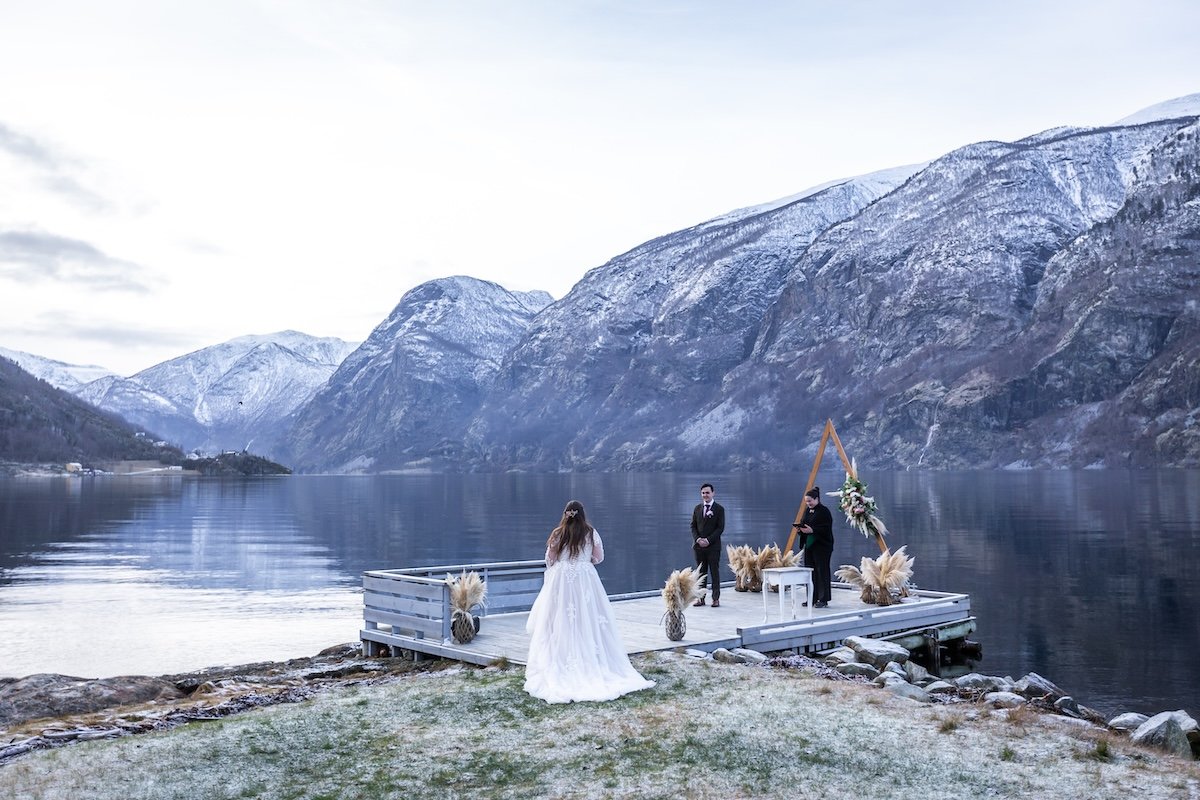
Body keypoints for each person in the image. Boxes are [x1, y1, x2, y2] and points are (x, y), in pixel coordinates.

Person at [523, 500, 655, 704]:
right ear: (583, 514)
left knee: (561, 618)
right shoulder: (590, 532)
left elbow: (550, 558)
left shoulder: (558, 533)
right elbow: (599, 557)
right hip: (585, 578)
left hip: (562, 580)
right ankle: (592, 657)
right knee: (588, 617)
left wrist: (564, 563)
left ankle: (561, 657)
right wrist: (584, 563)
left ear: (566, 514)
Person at [795, 486, 834, 607]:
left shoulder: (824, 511)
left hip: (822, 546)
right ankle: (811, 597)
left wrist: (813, 530)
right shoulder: (807, 511)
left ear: (817, 499)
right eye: (806, 502)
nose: (808, 503)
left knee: (822, 571)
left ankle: (823, 599)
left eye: (810, 501)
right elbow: (804, 522)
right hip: (810, 545)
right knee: (809, 572)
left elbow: (826, 528)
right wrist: (801, 529)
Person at [690, 482, 726, 607]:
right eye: (703, 493)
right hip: (699, 547)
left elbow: (720, 528)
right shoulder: (697, 508)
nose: (705, 495)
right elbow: (693, 526)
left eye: (707, 493)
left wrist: (708, 540)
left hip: (713, 547)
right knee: (700, 573)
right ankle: (700, 598)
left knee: (714, 572)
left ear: (713, 493)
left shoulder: (719, 509)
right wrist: (698, 539)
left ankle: (715, 598)